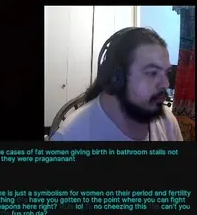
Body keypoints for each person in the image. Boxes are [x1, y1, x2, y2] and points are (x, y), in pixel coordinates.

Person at [52, 27, 182, 141]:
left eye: (167, 73)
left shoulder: (167, 121)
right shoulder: (71, 136)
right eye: (152, 73)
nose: (165, 84)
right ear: (117, 78)